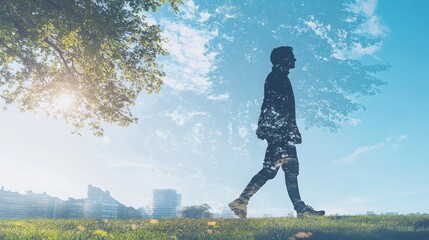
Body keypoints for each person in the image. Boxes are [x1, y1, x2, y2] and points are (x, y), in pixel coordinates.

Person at [229, 46, 325, 218]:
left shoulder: (279, 77)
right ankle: (300, 209)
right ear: (283, 59)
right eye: (292, 57)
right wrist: (271, 127)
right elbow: (271, 104)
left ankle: (242, 200)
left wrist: (286, 128)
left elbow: (277, 106)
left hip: (280, 131)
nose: (295, 60)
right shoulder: (276, 78)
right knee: (288, 168)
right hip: (279, 132)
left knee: (274, 170)